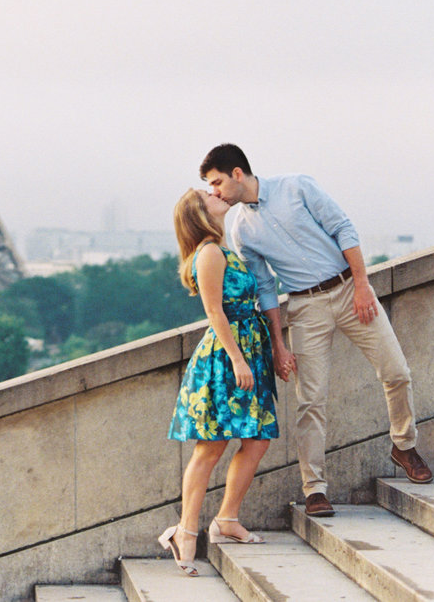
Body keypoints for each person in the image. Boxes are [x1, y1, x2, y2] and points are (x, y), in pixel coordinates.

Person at [200, 142, 431, 518]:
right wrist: (278, 345)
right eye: (210, 187)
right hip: (305, 307)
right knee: (311, 400)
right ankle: (315, 489)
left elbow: (342, 227)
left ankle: (404, 445)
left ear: (237, 174)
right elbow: (264, 288)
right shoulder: (242, 230)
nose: (214, 192)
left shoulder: (296, 187)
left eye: (216, 183)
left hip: (349, 289)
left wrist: (360, 285)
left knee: (396, 372)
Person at [160, 188, 278, 576]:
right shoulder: (210, 253)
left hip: (247, 349)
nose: (215, 193)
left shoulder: (221, 248)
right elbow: (214, 310)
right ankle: (186, 531)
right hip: (228, 356)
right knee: (210, 446)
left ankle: (227, 519)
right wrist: (239, 359)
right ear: (199, 212)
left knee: (257, 439)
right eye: (205, 194)